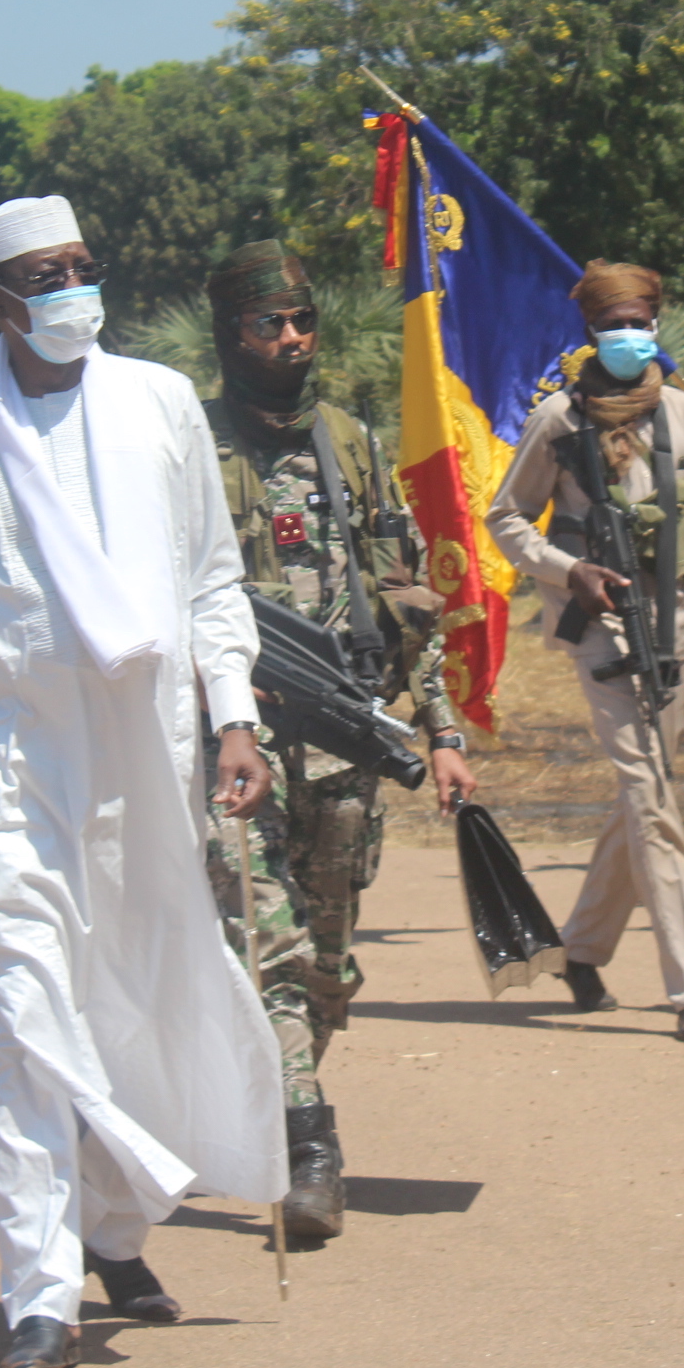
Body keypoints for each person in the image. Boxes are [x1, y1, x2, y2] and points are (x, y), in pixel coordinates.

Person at [0, 197, 286, 1368]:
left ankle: (114, 1229)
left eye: (85, 265)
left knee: (132, 997)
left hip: (145, 752)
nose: (74, 288)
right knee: (22, 1012)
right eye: (46, 274)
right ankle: (39, 1291)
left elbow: (209, 582)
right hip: (0, 760)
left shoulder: (159, 402)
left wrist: (235, 713)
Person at [197, 239, 475, 1241]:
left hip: (346, 742)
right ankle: (310, 1145)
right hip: (237, 745)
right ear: (231, 334)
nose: (290, 339)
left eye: (302, 322)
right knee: (260, 942)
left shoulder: (346, 442)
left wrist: (440, 729)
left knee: (325, 961)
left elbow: (408, 597)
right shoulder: (187, 445)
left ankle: (281, 1098)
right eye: (269, 324)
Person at [485, 260, 684, 1043]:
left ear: (657, 326)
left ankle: (581, 951)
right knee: (657, 806)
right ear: (591, 333)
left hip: (678, 630)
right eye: (611, 326)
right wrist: (569, 570)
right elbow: (508, 518)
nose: (627, 338)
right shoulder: (560, 418)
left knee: (641, 798)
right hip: (606, 639)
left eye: (639, 323)